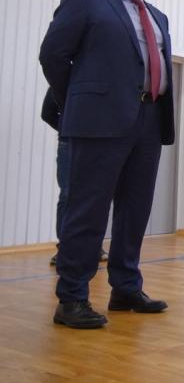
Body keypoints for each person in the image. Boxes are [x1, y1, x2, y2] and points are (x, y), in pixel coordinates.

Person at [39, 0, 175, 329]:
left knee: (135, 209)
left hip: (149, 120)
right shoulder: (86, 0)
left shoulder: (158, 16)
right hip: (98, 121)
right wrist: (80, 99)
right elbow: (53, 54)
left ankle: (126, 287)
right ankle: (72, 296)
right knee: (88, 209)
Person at [40, 89, 108, 267]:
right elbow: (47, 113)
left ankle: (94, 247)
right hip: (69, 143)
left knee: (95, 196)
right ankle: (64, 248)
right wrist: (69, 128)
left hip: (99, 144)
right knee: (68, 196)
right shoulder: (65, 81)